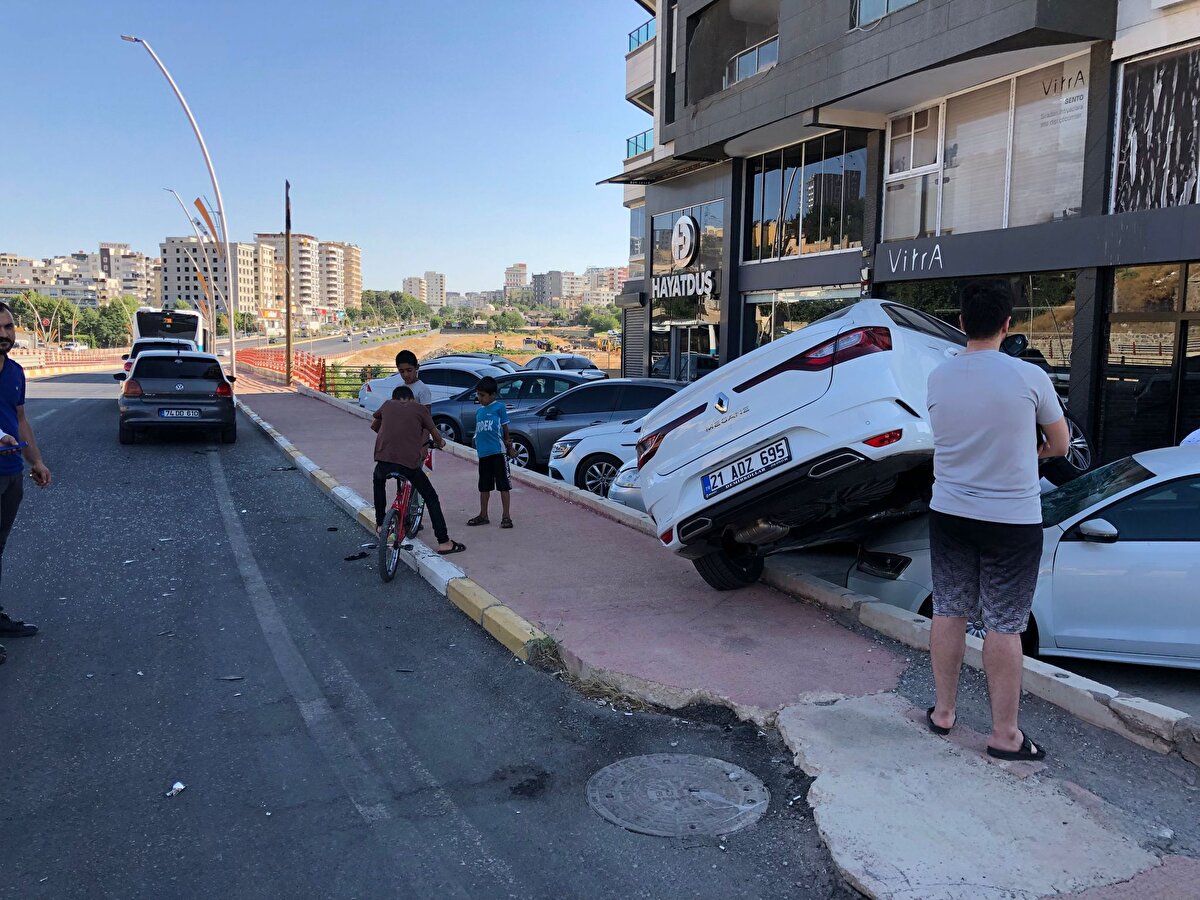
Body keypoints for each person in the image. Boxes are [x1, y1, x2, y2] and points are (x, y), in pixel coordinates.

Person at [925, 281, 1068, 762]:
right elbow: (1062, 445)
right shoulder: (1029, 378)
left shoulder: (937, 378)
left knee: (949, 610)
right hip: (1011, 518)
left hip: (949, 513)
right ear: (1008, 326)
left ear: (961, 321)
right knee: (1004, 625)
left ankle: (943, 713)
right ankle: (1005, 735)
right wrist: (1032, 454)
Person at [0, 302, 52, 666]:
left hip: (10, 472)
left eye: (7, 326)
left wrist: (36, 460)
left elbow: (20, 420)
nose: (3, 334)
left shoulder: (15, 371)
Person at [371, 385, 464, 555]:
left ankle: (379, 523)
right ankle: (444, 542)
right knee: (430, 497)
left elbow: (375, 426)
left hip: (383, 461)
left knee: (378, 482)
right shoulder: (420, 409)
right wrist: (440, 443)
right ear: (412, 398)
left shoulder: (386, 405)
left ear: (394, 398)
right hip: (408, 464)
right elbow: (435, 434)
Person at [467, 376, 515, 528]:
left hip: (498, 452)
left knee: (503, 485)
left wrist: (509, 446)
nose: (479, 398)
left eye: (482, 395)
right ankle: (483, 514)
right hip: (484, 454)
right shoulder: (479, 412)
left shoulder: (499, 407)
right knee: (484, 486)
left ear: (492, 395)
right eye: (478, 395)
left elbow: (505, 428)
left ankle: (506, 516)